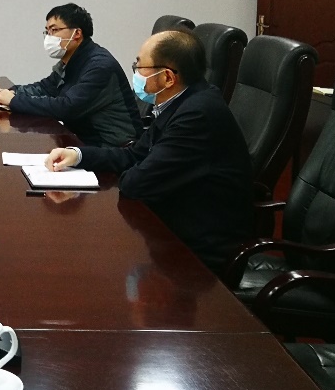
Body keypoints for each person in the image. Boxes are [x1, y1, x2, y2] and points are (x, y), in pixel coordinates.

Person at [44, 29, 253, 272]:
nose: (135, 72)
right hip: (172, 227)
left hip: (199, 254)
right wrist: (79, 155)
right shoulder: (180, 102)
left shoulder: (196, 115)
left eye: (140, 66)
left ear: (167, 78)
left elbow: (136, 183)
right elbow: (135, 155)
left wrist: (131, 170)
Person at [0, 3, 143, 147]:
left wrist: (14, 101)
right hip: (85, 140)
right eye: (47, 31)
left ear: (77, 33)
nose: (49, 37)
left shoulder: (99, 66)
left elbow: (67, 108)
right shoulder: (70, 61)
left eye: (54, 30)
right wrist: (14, 91)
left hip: (113, 147)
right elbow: (46, 88)